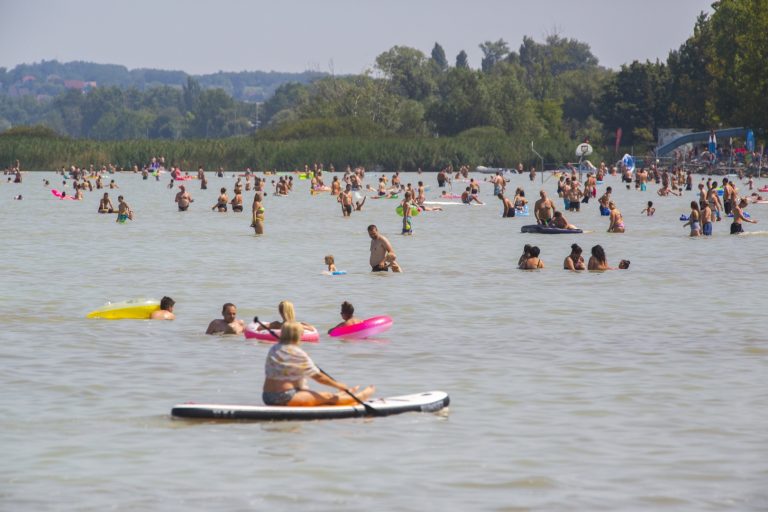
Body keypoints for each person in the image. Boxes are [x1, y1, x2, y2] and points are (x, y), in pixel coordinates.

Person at [262, 321, 375, 406]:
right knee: (328, 396)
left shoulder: (274, 348)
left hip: (267, 396)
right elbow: (319, 377)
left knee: (321, 396)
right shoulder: (297, 352)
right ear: (298, 336)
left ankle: (342, 396)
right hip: (284, 397)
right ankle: (359, 397)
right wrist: (339, 385)